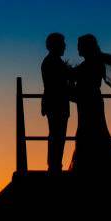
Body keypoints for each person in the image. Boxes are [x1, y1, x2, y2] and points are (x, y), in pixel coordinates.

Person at [69, 34, 111, 176]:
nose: (77, 49)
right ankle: (97, 165)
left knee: (91, 130)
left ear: (86, 47)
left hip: (89, 101)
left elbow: (81, 80)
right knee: (94, 130)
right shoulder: (94, 62)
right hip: (90, 100)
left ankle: (89, 167)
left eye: (79, 46)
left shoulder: (91, 63)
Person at [40, 32, 72, 173]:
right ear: (56, 45)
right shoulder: (53, 62)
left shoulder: (51, 61)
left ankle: (54, 165)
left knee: (57, 135)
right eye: (62, 44)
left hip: (54, 103)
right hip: (57, 104)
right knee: (57, 135)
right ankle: (54, 165)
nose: (65, 46)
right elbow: (60, 85)